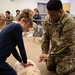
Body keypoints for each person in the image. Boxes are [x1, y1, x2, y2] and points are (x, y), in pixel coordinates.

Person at [39, 0, 75, 75]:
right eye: (49, 14)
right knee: (50, 67)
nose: (50, 17)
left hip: (67, 49)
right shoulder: (48, 18)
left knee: (61, 71)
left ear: (60, 12)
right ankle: (58, 59)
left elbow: (64, 42)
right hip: (55, 48)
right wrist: (44, 53)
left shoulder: (69, 20)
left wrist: (50, 55)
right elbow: (45, 36)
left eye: (53, 15)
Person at [0, 9, 33, 75]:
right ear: (23, 20)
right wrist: (25, 61)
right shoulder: (17, 27)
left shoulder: (11, 26)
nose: (27, 29)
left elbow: (13, 49)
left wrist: (21, 61)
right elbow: (21, 47)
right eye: (28, 26)